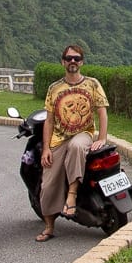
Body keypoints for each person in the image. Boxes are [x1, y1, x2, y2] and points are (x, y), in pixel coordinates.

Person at [35, 44, 109, 242]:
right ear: (63, 62)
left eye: (76, 58)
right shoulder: (54, 88)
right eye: (69, 58)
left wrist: (102, 138)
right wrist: (46, 149)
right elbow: (49, 120)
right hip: (59, 138)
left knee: (77, 146)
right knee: (48, 181)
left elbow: (102, 112)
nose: (73, 62)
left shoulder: (92, 84)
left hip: (83, 134)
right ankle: (49, 226)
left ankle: (72, 194)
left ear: (82, 62)